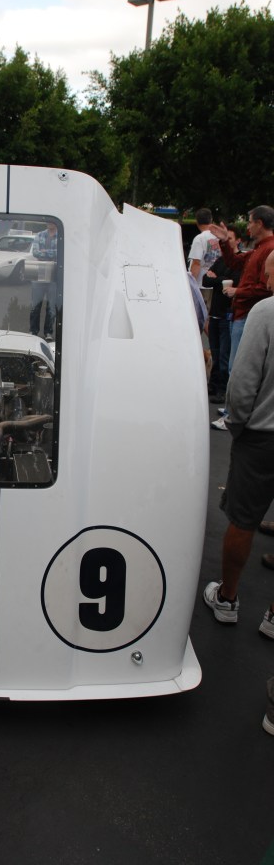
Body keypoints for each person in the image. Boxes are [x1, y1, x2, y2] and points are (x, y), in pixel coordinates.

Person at [203, 248, 274, 637]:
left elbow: (242, 383)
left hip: (262, 435)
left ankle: (228, 598)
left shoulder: (265, 313)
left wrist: (237, 424)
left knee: (243, 519)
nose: (264, 279)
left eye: (266, 272)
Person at [209, 206, 274, 429]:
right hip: (243, 313)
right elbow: (235, 263)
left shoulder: (267, 249)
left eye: (249, 222)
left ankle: (233, 416)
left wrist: (239, 292)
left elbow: (266, 288)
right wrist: (226, 243)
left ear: (260, 223)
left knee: (238, 367)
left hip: (247, 313)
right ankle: (231, 410)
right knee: (234, 365)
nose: (247, 226)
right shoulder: (260, 249)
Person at [202, 225, 241, 403]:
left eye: (230, 239)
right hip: (216, 313)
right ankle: (213, 385)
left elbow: (236, 281)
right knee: (215, 352)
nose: (226, 242)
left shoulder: (240, 261)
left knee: (225, 354)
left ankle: (223, 389)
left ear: (238, 241)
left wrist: (215, 278)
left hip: (228, 314)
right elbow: (205, 279)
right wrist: (220, 280)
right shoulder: (220, 261)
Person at [29, 221, 58, 341]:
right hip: (39, 274)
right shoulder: (39, 235)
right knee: (35, 305)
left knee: (51, 306)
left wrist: (44, 252)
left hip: (54, 274)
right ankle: (33, 331)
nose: (48, 223)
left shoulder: (61, 235)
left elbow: (60, 252)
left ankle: (48, 333)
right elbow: (35, 252)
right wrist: (51, 254)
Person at [188, 208, 221, 286]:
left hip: (201, 283)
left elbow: (196, 263)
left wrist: (192, 285)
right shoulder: (219, 236)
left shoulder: (199, 238)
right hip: (216, 282)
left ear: (197, 221)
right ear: (211, 220)